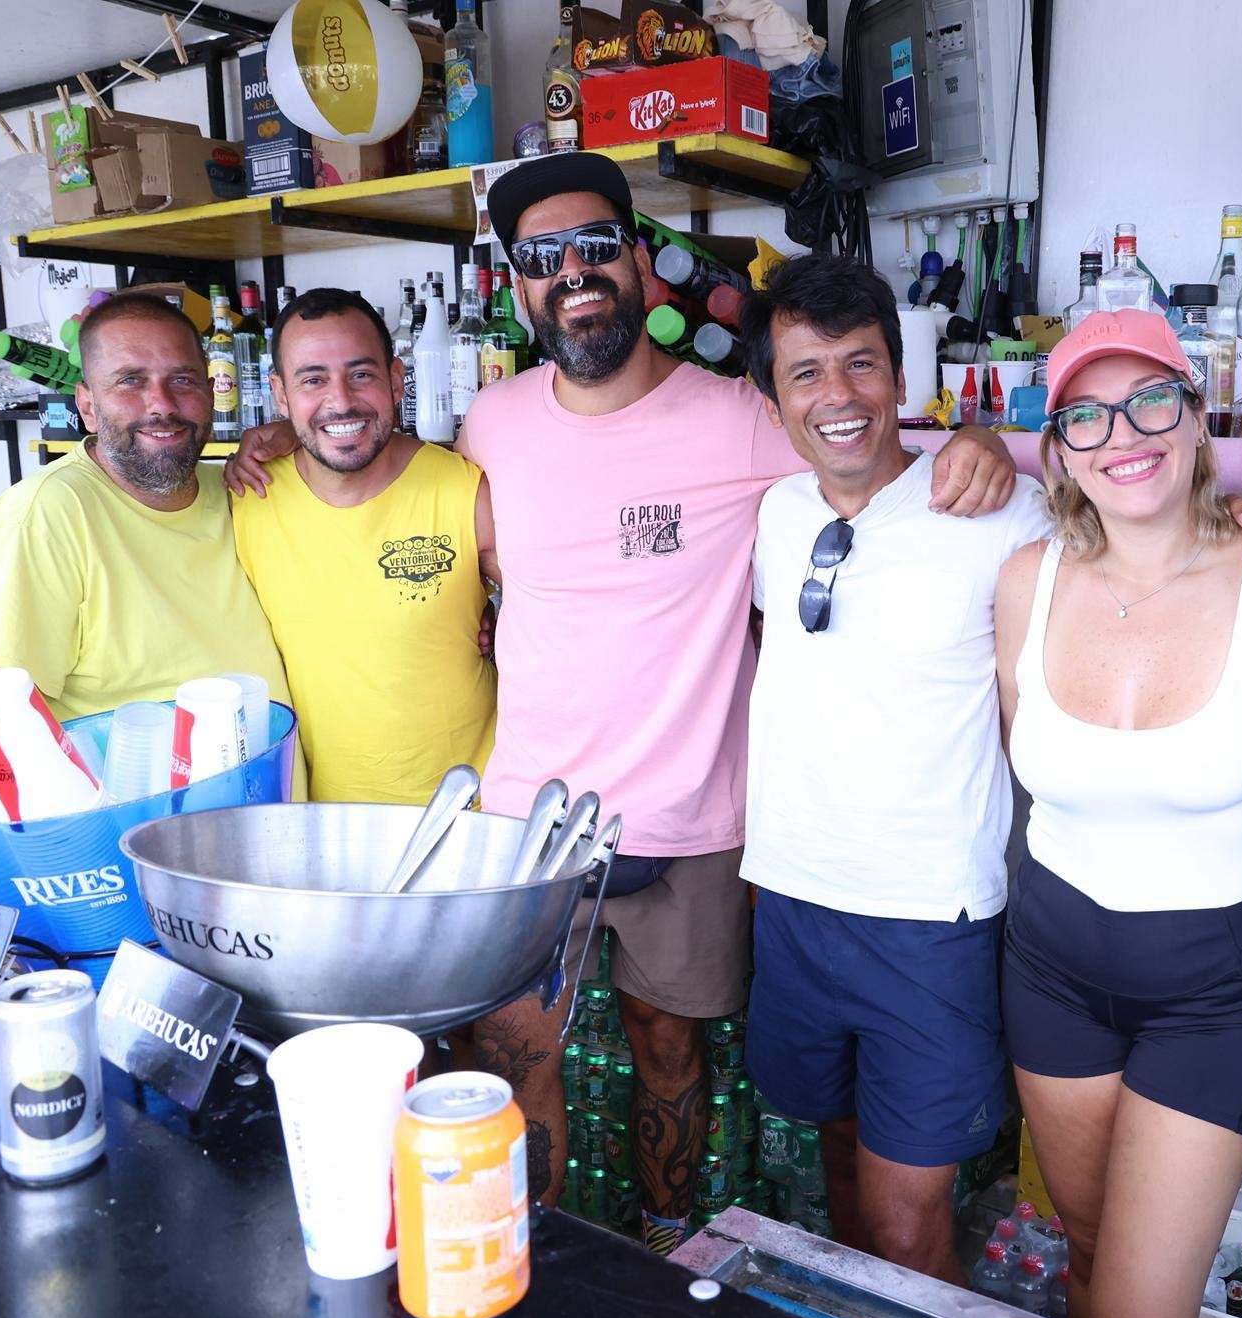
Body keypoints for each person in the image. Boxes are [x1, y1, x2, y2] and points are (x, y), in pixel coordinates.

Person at [222, 152, 1023, 1254]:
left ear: (641, 264)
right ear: (518, 288)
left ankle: (659, 1247)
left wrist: (976, 441)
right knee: (516, 1054)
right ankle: (534, 1260)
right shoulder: (490, 427)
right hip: (529, 817)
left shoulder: (743, 418)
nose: (575, 274)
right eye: (543, 260)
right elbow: (382, 478)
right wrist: (270, 437)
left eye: (597, 246)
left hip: (692, 817)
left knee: (670, 1052)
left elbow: (865, 450)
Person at [738, 259, 1242, 1284]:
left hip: (934, 918)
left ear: (901, 376)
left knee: (909, 1216)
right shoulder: (777, 513)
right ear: (774, 396)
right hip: (790, 899)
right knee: (836, 1173)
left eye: (863, 364)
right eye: (806, 373)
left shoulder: (1005, 522)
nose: (838, 396)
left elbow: (1138, 521)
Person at [991, 308, 1242, 1318]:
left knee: (1144, 1308)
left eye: (1151, 400)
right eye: (1087, 417)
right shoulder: (1026, 582)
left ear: (1196, 418)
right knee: (1090, 1249)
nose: (1124, 435)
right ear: (1057, 451)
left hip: (1212, 994)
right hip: (1049, 967)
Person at [0, 293, 293, 724]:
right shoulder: (45, 514)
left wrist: (295, 434)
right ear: (87, 405)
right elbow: (2, 717)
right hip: (146, 794)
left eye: (183, 380)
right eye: (130, 381)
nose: (161, 405)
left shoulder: (241, 490)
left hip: (276, 786)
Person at [230, 287, 496, 803]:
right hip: (322, 828)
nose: (341, 400)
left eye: (362, 374)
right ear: (280, 395)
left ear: (397, 379)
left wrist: (509, 624)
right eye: (313, 380)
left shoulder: (465, 491)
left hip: (471, 818)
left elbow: (560, 614)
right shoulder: (247, 497)